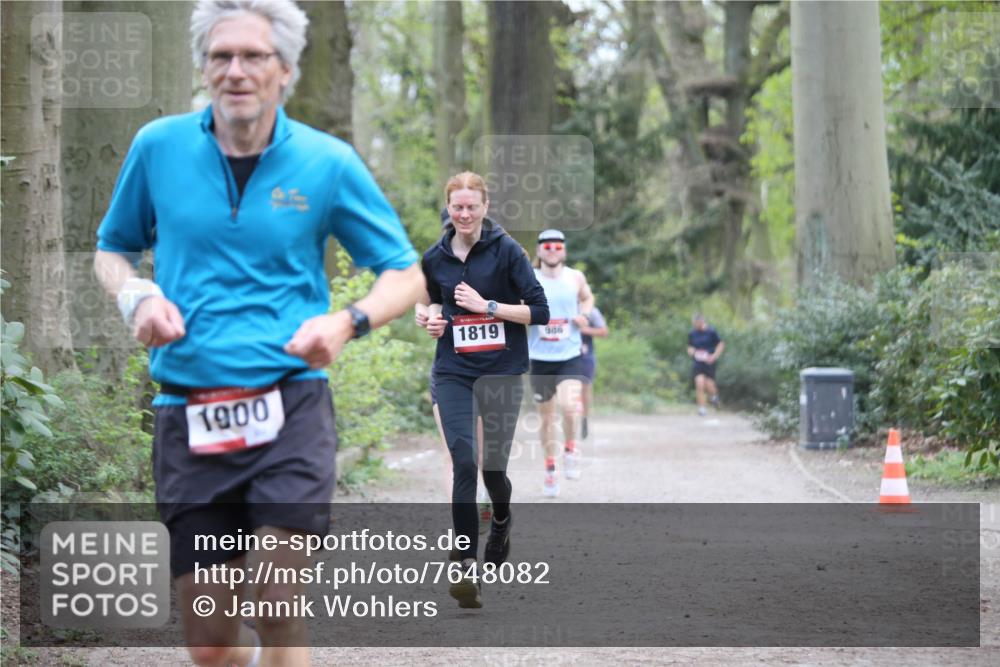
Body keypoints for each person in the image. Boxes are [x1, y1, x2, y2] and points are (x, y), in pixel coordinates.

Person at [93, 2, 422, 665]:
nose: (236, 71)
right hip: (189, 411)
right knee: (211, 643)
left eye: (253, 56)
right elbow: (111, 250)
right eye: (221, 56)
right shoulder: (158, 147)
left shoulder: (327, 163)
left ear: (286, 71)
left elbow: (407, 273)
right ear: (204, 66)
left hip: (290, 404)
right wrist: (137, 299)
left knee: (276, 601)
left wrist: (345, 321)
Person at [421, 171, 548, 608]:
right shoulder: (435, 255)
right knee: (463, 463)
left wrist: (487, 306)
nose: (465, 213)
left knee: (492, 471)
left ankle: (502, 520)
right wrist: (431, 318)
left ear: (485, 207)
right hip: (453, 370)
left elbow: (541, 311)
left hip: (502, 372)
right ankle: (464, 566)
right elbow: (430, 300)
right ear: (449, 208)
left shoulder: (508, 251)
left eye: (472, 206)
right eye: (458, 206)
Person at [528, 229, 595, 497]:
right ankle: (550, 469)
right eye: (547, 246)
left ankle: (570, 448)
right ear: (539, 250)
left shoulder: (575, 277)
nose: (552, 250)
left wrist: (585, 315)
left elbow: (588, 298)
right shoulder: (529, 278)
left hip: (569, 355)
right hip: (540, 358)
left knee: (569, 406)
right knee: (546, 419)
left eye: (557, 247)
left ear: (564, 250)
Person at [578, 305, 609, 439]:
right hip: (562, 355)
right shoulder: (557, 305)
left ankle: (584, 418)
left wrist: (583, 329)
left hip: (584, 354)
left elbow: (603, 331)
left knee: (585, 387)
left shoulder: (591, 311)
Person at [687, 313, 725, 416]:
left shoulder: (711, 331)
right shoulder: (692, 333)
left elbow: (721, 344)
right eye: (693, 323)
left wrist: (714, 356)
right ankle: (702, 409)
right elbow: (690, 347)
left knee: (709, 384)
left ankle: (714, 398)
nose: (695, 325)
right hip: (698, 362)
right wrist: (692, 352)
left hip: (709, 361)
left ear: (701, 322)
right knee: (699, 383)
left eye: (696, 323)